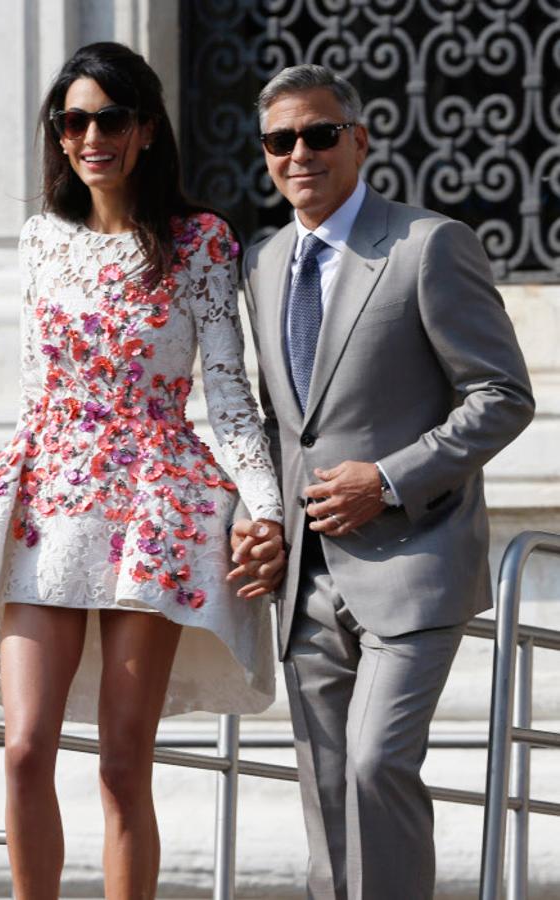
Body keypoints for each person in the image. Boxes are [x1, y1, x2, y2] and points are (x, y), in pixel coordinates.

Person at [0, 42, 284, 900]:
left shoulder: (199, 241)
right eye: (72, 120)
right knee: (22, 747)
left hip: (155, 505)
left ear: (146, 128)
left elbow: (228, 396)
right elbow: (34, 389)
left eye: (109, 118)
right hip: (50, 496)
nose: (90, 136)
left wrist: (264, 509)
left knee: (123, 762)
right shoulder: (40, 239)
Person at [231, 63, 535, 900]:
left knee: (374, 764)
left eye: (320, 133)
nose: (301, 153)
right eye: (280, 140)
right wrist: (253, 520)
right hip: (304, 579)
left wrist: (390, 480)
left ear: (357, 141)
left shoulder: (428, 245)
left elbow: (502, 397)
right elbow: (274, 421)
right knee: (326, 796)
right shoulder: (260, 261)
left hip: (414, 564)